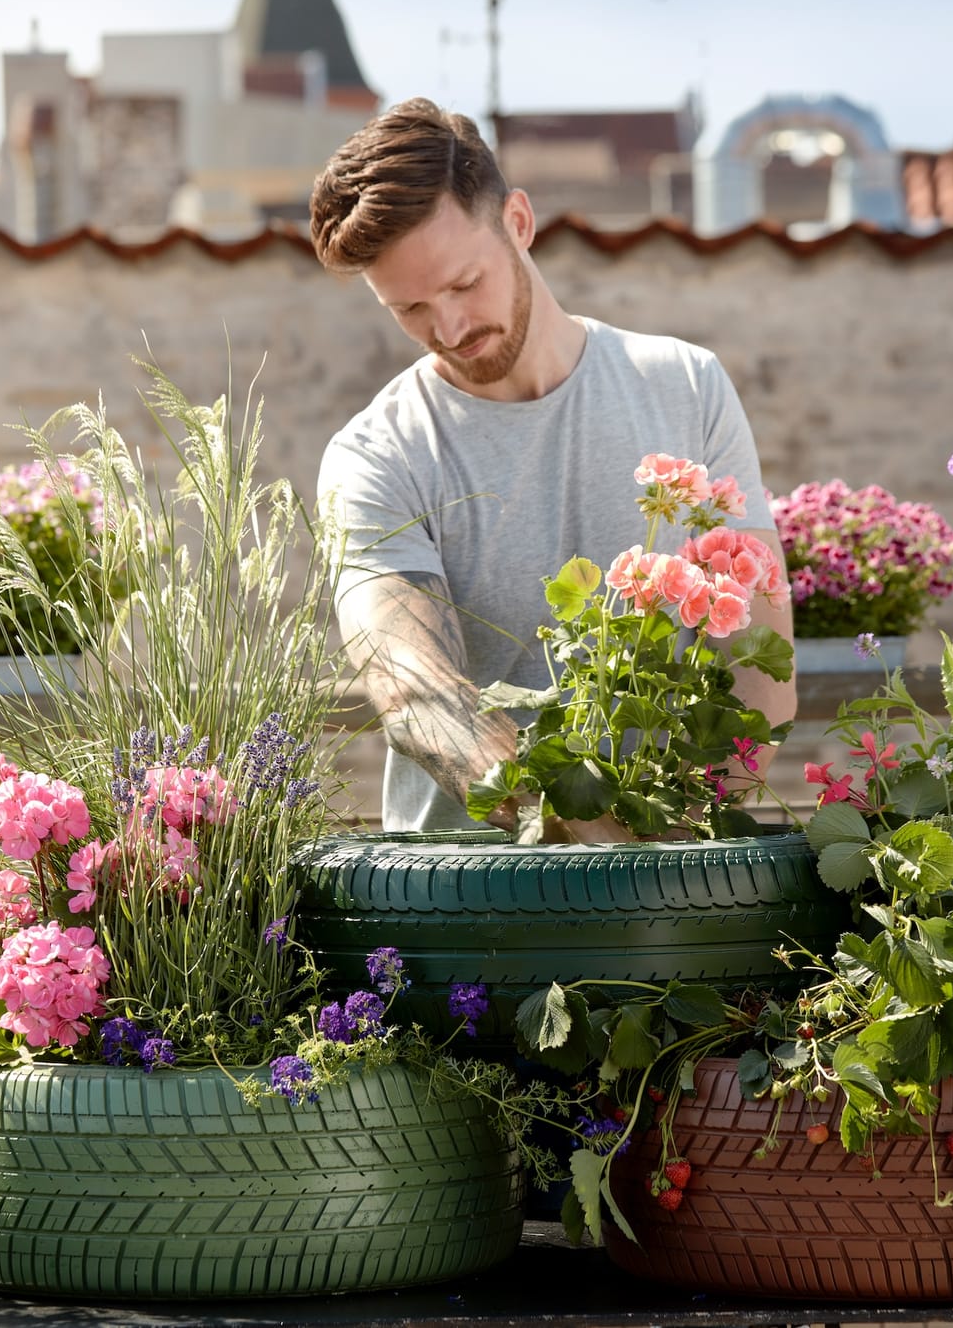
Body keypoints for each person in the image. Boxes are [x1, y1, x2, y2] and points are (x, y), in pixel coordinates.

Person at [309, 98, 794, 836]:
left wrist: (690, 842)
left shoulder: (687, 387)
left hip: (676, 889)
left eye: (465, 284)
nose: (448, 327)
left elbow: (761, 662)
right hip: (463, 907)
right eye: (408, 308)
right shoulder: (376, 453)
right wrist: (584, 840)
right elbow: (411, 686)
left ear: (519, 223)